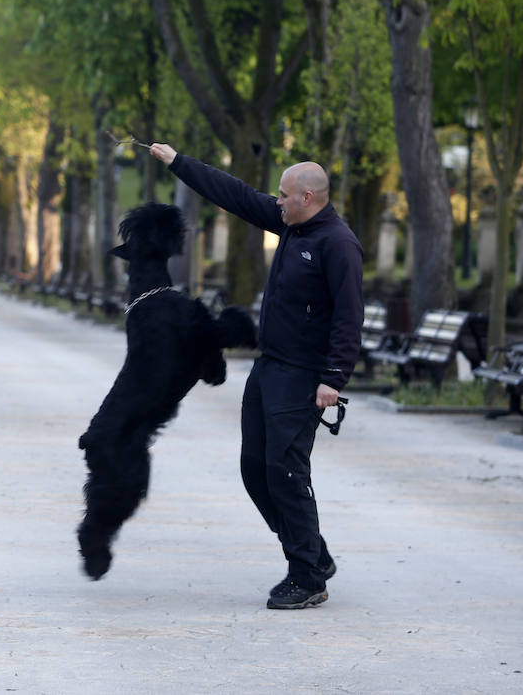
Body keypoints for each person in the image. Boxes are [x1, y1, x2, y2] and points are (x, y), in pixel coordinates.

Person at [149, 143, 363, 610]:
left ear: (307, 197)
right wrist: (179, 162)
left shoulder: (337, 244)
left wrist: (334, 378)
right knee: (254, 469)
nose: (276, 200)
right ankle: (314, 552)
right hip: (270, 366)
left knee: (286, 471)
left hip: (303, 374)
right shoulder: (290, 224)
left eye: (284, 195)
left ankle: (307, 577)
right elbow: (237, 195)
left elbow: (350, 317)